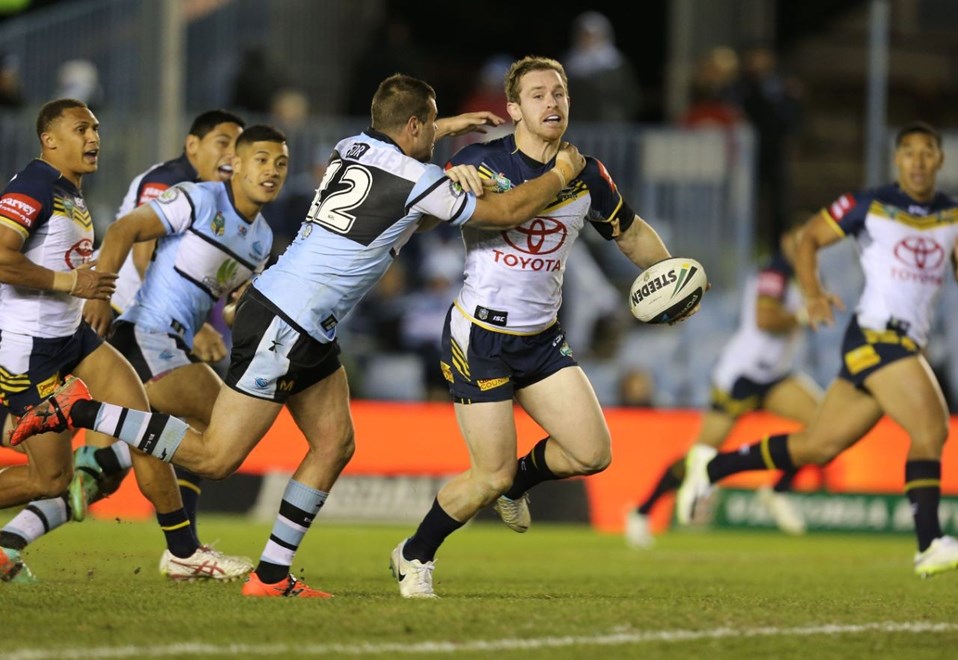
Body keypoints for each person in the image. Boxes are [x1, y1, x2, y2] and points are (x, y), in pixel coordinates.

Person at [10, 74, 587, 598]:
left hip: (305, 321)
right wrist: (562, 172)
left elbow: (405, 141)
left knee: (335, 443)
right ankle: (82, 410)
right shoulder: (419, 179)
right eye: (429, 126)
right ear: (414, 127)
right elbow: (506, 211)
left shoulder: (353, 148)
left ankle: (271, 576)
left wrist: (449, 125)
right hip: (287, 321)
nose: (434, 138)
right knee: (215, 458)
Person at [388, 55, 701, 599]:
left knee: (591, 453)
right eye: (537, 95)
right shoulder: (482, 161)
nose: (551, 103)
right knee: (489, 476)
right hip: (479, 339)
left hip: (541, 338)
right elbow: (431, 215)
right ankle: (415, 554)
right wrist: (449, 180)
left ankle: (520, 484)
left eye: (559, 93)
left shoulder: (588, 173)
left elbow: (628, 233)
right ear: (514, 109)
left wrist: (674, 276)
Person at [674, 121, 958, 578]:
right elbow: (809, 238)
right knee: (932, 427)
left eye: (928, 153)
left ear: (940, 160)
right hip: (878, 337)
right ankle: (930, 543)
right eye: (909, 152)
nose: (919, 162)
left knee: (818, 446)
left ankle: (712, 468)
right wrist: (812, 293)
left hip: (903, 342)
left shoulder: (951, 215)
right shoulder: (869, 204)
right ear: (897, 160)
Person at [0, 99, 246, 584]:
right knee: (51, 479)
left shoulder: (69, 190)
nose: (94, 138)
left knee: (142, 426)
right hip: (31, 350)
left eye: (95, 128)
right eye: (80, 129)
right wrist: (72, 283)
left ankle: (184, 553)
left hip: (74, 338)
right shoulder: (32, 186)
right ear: (49, 139)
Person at [67, 109, 246, 528]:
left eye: (238, 147)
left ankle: (15, 538)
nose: (231, 154)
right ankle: (182, 544)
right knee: (210, 421)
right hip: (121, 316)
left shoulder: (218, 198)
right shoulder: (169, 181)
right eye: (223, 142)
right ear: (192, 145)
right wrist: (196, 327)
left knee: (193, 426)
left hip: (152, 325)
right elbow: (143, 254)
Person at [625, 226, 821, 549]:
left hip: (774, 375)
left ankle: (778, 490)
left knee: (824, 425)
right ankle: (643, 511)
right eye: (798, 240)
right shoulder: (774, 273)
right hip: (741, 376)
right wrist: (802, 315)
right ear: (785, 241)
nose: (804, 247)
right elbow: (765, 320)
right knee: (700, 456)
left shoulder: (800, 276)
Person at [562, 11, 641, 123]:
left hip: (611, 124)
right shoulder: (569, 64)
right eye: (585, 35)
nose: (590, 40)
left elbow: (629, 97)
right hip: (579, 123)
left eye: (594, 35)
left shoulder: (616, 64)